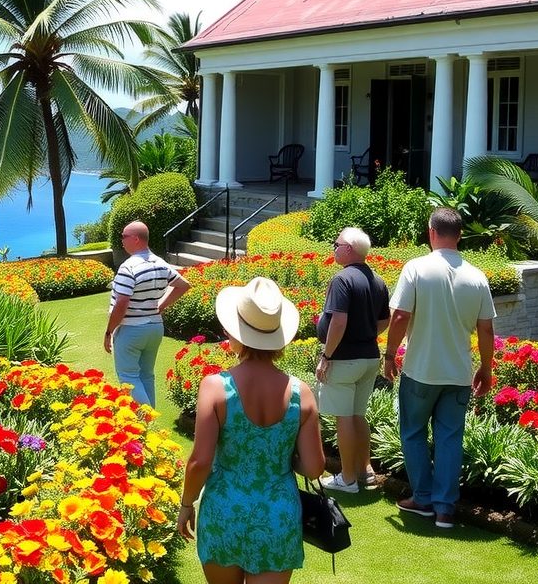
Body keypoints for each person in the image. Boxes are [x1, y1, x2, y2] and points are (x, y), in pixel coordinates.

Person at [177, 277, 325, 584]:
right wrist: (282, 454)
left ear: (237, 333)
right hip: (277, 514)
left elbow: (200, 462)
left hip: (225, 510)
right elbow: (313, 468)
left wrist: (186, 504)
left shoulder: (215, 388)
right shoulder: (302, 393)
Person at [382, 207, 495, 530]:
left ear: (431, 232)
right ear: (460, 235)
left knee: (413, 432)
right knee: (450, 439)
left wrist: (390, 355)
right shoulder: (477, 276)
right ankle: (445, 509)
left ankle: (423, 498)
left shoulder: (416, 268)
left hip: (420, 370)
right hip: (458, 373)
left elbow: (400, 316)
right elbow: (486, 330)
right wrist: (486, 369)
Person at [315, 226, 390, 494]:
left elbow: (339, 320)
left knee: (344, 417)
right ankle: (364, 470)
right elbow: (384, 321)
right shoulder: (378, 280)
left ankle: (347, 479)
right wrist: (366, 335)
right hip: (369, 357)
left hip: (344, 359)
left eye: (336, 244)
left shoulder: (342, 280)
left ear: (348, 249)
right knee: (358, 415)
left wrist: (327, 355)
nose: (334, 248)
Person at [104, 220, 191, 406]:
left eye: (124, 237)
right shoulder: (160, 264)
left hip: (131, 330)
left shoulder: (128, 267)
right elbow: (183, 285)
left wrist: (109, 331)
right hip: (154, 327)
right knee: (146, 375)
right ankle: (152, 423)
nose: (121, 241)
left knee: (128, 377)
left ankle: (146, 423)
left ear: (135, 239)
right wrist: (159, 306)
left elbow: (122, 303)